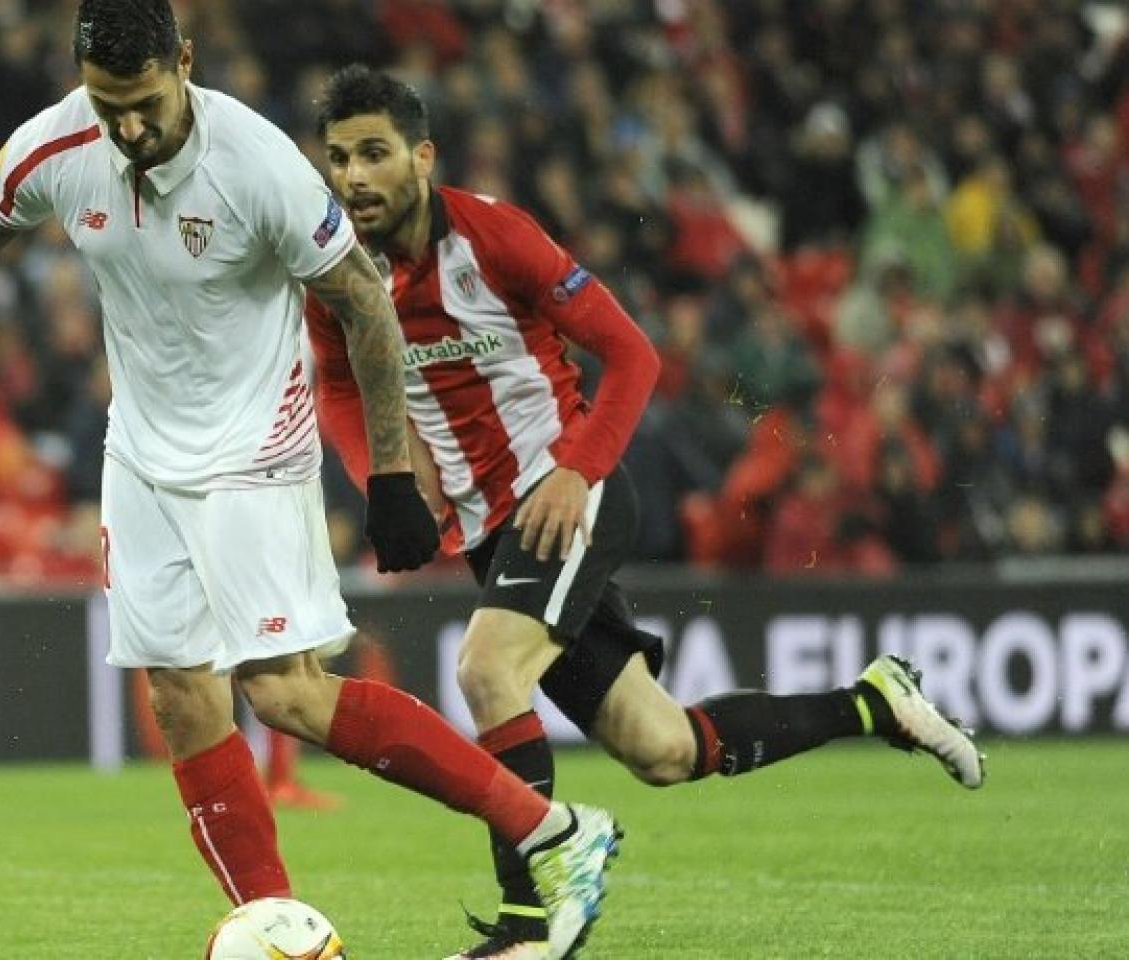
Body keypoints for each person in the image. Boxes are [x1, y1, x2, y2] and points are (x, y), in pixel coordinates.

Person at [0, 5, 618, 955]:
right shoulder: (54, 146)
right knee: (179, 694)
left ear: (185, 64)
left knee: (283, 693)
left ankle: (554, 832)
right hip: (143, 452)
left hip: (258, 447)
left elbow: (363, 301)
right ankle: (277, 925)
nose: (127, 127)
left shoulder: (257, 165)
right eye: (107, 103)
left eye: (146, 104)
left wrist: (393, 474)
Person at [306, 66, 986, 960]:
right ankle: (875, 705)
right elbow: (339, 387)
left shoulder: (497, 238)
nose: (354, 177)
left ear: (422, 158)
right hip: (489, 529)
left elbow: (632, 355)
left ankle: (529, 923)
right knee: (663, 748)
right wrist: (384, 476)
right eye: (339, 158)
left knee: (484, 672)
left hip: (566, 501)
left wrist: (574, 471)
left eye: (374, 154)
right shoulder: (340, 275)